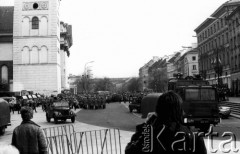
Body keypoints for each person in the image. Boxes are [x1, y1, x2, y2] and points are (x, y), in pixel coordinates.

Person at [125, 91, 207, 154]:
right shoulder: (194, 136)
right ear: (180, 110)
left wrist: (146, 126)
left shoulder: (150, 135)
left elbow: (130, 151)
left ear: (158, 111)